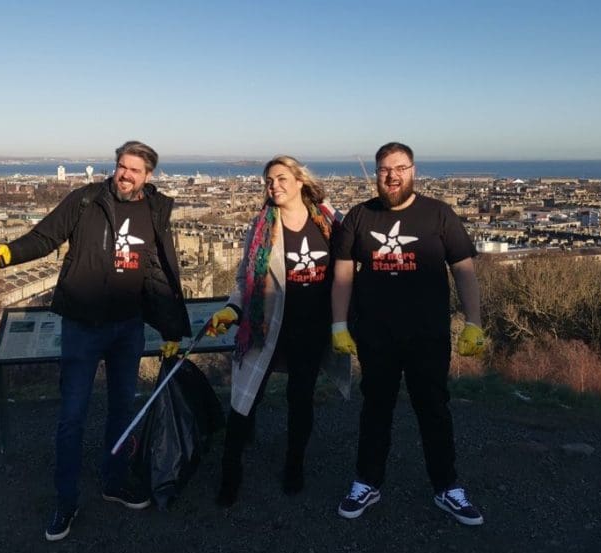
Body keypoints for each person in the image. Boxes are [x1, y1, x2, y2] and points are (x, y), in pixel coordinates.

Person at [0, 141, 190, 541]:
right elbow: (44, 237)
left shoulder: (155, 212)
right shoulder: (85, 201)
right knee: (72, 417)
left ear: (148, 175)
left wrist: (170, 330)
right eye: (120, 166)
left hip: (127, 327)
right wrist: (10, 253)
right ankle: (66, 499)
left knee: (122, 410)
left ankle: (113, 481)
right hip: (82, 325)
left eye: (133, 169)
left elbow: (161, 273)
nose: (124, 174)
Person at [330, 142, 487, 525]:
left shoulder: (439, 214)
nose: (391, 175)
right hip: (375, 334)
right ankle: (367, 482)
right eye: (385, 169)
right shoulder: (358, 216)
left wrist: (473, 321)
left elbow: (464, 269)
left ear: (413, 170)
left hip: (427, 334)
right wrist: (338, 323)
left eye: (399, 167)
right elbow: (343, 274)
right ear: (376, 172)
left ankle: (447, 486)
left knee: (434, 408)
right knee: (375, 409)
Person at [206, 155, 350, 507]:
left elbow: (351, 266)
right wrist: (232, 308)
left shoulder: (331, 221)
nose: (274, 185)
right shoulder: (260, 228)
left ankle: (294, 465)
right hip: (265, 326)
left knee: (300, 400)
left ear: (300, 181)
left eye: (282, 178)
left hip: (311, 328)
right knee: (243, 400)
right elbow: (244, 279)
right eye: (269, 180)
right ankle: (230, 472)